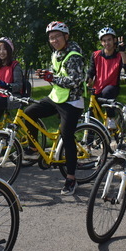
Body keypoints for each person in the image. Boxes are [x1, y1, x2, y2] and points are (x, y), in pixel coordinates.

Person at [29, 21, 85, 196]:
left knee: (66, 135)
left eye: (57, 37)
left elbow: (75, 81)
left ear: (66, 37)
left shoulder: (74, 55)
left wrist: (51, 78)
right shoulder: (57, 53)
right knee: (29, 113)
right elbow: (58, 74)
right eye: (51, 38)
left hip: (72, 101)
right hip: (56, 98)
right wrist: (47, 74)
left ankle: (71, 178)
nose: (54, 41)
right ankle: (33, 148)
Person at [87, 26, 126, 129]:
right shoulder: (96, 55)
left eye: (109, 40)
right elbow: (91, 71)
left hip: (112, 87)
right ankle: (89, 139)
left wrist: (122, 51)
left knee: (107, 92)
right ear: (101, 42)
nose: (107, 43)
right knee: (91, 114)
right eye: (104, 41)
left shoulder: (119, 55)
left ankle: (111, 119)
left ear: (114, 40)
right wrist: (88, 80)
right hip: (98, 88)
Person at [0, 37, 24, 134]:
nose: (1, 52)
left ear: (9, 51)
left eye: (4, 49)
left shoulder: (15, 66)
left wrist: (6, 85)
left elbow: (19, 85)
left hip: (13, 98)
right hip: (2, 97)